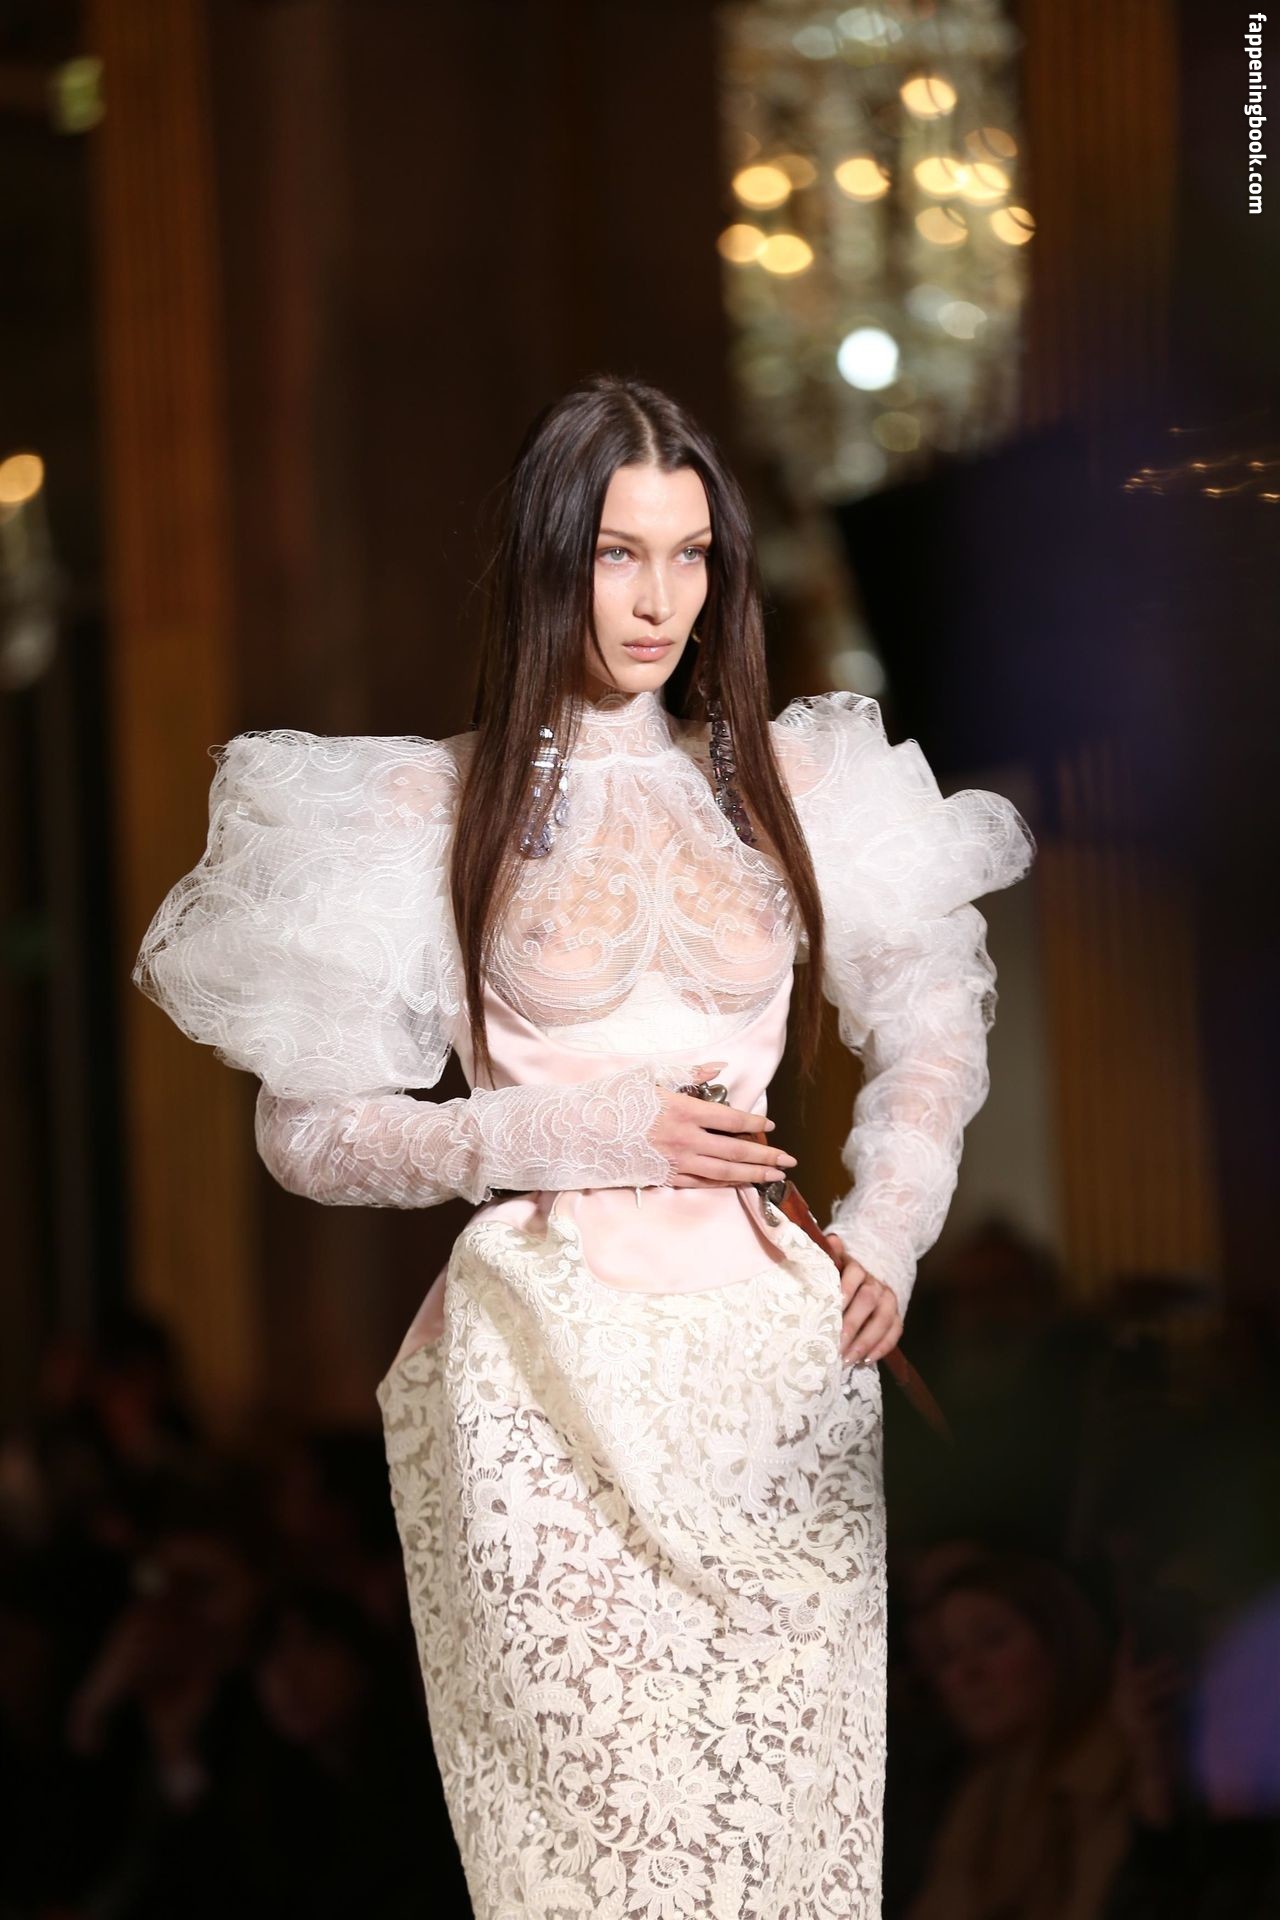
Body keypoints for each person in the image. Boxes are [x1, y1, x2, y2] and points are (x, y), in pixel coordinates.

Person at [131, 373, 1035, 1919]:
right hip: (540, 1363)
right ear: (552, 557)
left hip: (773, 1370)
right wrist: (581, 1129)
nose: (660, 599)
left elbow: (936, 1025)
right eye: (621, 553)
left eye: (690, 556)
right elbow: (308, 1135)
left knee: (782, 1859)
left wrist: (890, 1227)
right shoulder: (424, 807)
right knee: (594, 1856)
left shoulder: (795, 787)